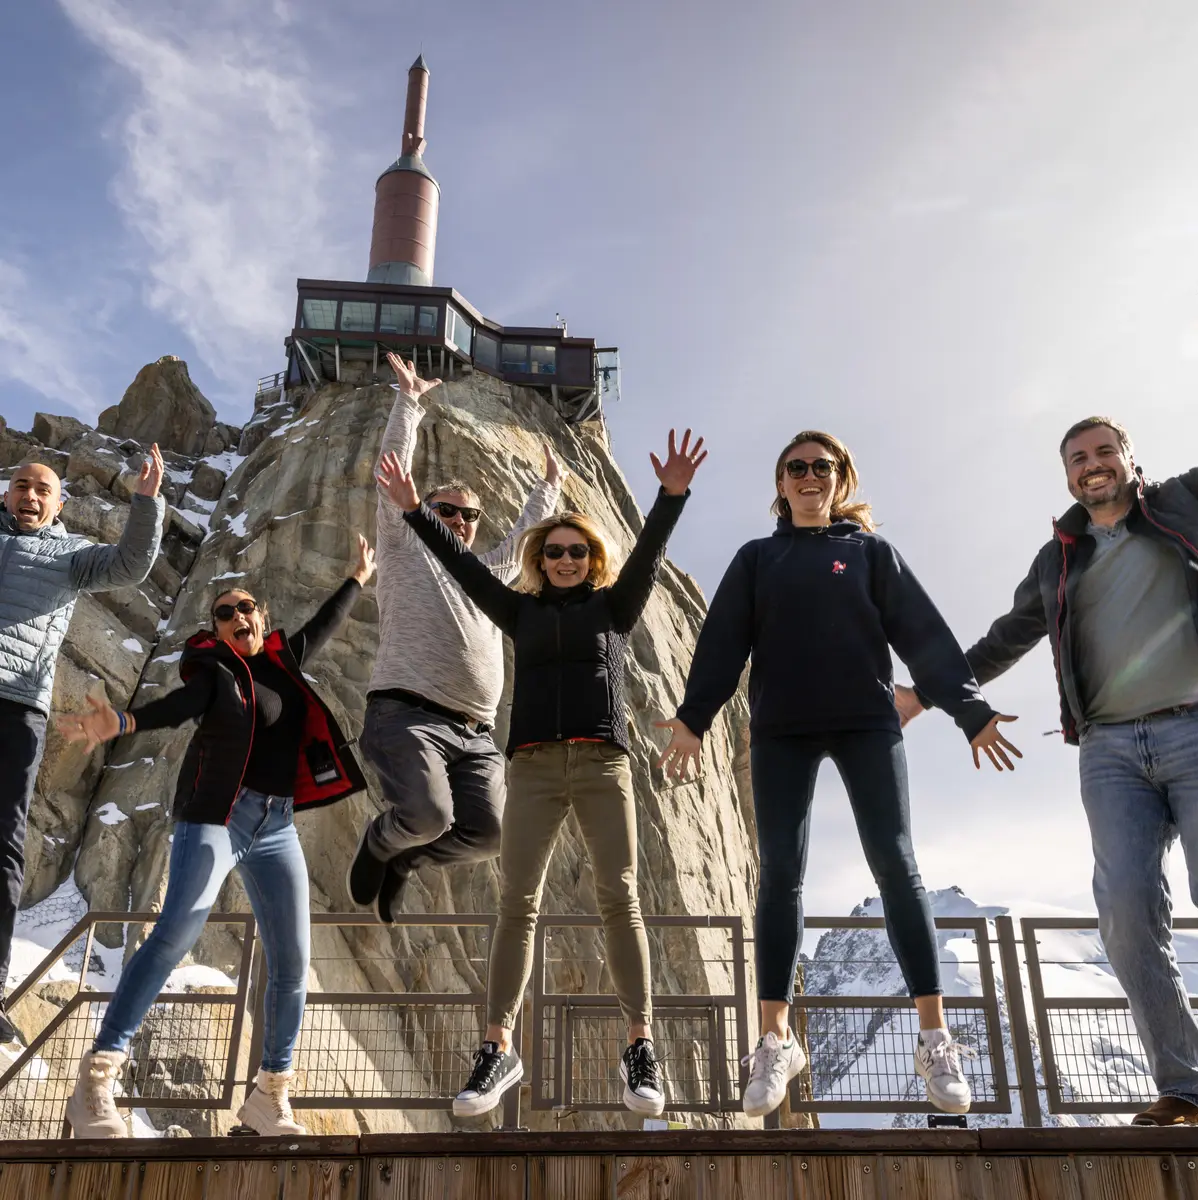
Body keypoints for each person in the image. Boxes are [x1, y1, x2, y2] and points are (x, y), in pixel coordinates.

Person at [657, 430, 1021, 1121]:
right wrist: (693, 717)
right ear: (781, 483)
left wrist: (968, 710)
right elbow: (722, 644)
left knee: (896, 864)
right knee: (781, 874)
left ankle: (934, 1038)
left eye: (820, 467)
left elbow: (923, 633)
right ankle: (774, 1041)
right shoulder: (758, 558)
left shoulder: (869, 553)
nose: (807, 476)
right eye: (795, 468)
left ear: (841, 478)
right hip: (782, 732)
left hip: (866, 725)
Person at [376, 429, 706, 1119]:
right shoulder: (518, 611)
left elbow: (647, 556)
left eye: (575, 552)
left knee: (620, 898)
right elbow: (463, 571)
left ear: (592, 559)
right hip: (529, 767)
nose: (563, 559)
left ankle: (640, 1047)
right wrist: (414, 513)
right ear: (538, 557)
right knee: (516, 904)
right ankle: (497, 1047)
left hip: (601, 764)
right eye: (552, 551)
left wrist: (671, 497)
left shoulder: (613, 608)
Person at [896, 416, 1198, 1127]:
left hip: (1195, 727)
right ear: (1066, 475)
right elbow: (1005, 639)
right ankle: (1187, 1087)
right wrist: (926, 691)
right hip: (1110, 753)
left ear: (1130, 460)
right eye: (1078, 459)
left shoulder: (1184, 502)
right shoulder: (1058, 556)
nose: (1092, 466)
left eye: (1104, 453)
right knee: (1126, 918)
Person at [55, 537, 375, 1137]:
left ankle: (269, 1094)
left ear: (263, 617)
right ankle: (97, 1078)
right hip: (217, 817)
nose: (238, 617)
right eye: (224, 613)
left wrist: (357, 576)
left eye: (246, 607)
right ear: (217, 630)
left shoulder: (283, 663)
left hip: (277, 825)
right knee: (176, 934)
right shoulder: (213, 672)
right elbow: (180, 705)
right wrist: (123, 720)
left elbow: (324, 623)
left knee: (292, 962)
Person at [347, 353, 562, 922]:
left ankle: (406, 864)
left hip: (475, 735)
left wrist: (550, 488)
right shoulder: (404, 549)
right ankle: (381, 843)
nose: (461, 522)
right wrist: (409, 403)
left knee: (492, 834)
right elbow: (392, 473)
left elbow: (522, 542)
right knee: (427, 815)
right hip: (408, 713)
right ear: (428, 511)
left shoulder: (487, 572)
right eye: (448, 510)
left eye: (470, 515)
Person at [0, 450, 165, 1042]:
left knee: (5, 846)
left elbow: (130, 564)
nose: (30, 495)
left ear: (58, 504)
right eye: (21, 485)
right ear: (5, 493)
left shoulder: (69, 557)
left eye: (42, 489)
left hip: (19, 708)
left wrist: (146, 501)